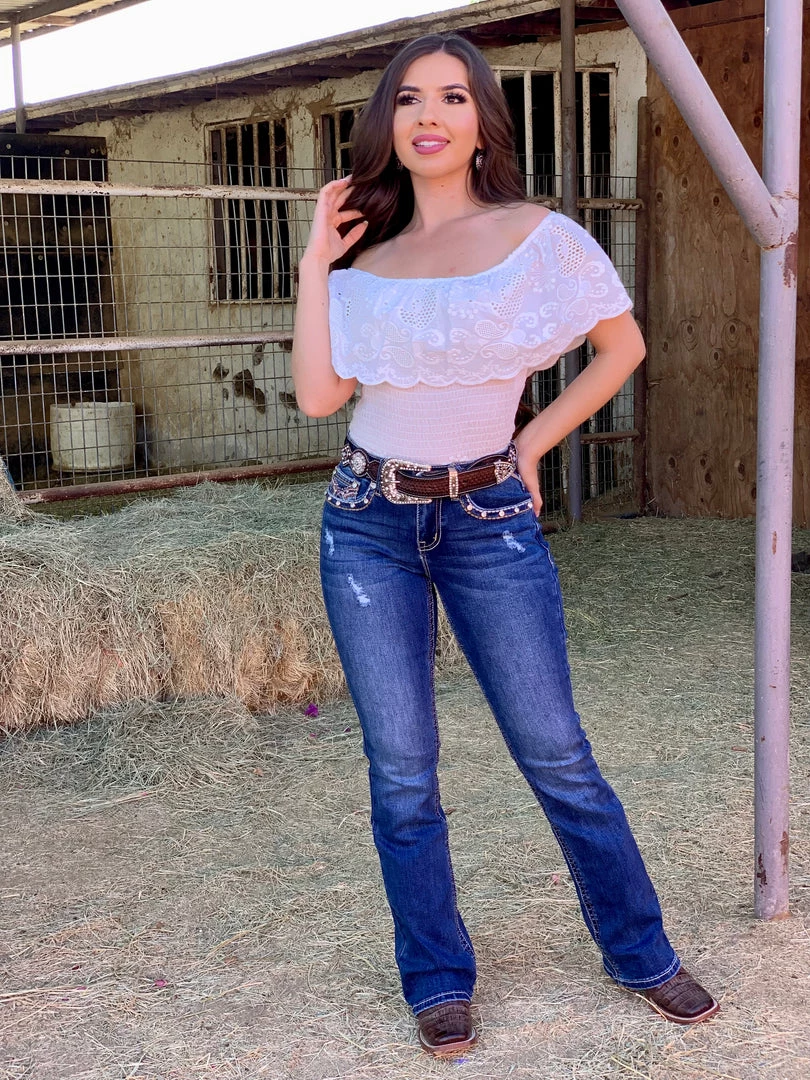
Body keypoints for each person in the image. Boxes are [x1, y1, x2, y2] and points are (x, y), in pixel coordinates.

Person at [291, 33, 719, 1057]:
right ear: (388, 122)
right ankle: (437, 977)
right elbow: (317, 397)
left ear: (483, 120)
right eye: (408, 99)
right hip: (367, 521)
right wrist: (314, 262)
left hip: (488, 519)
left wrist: (531, 441)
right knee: (402, 770)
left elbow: (621, 347)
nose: (428, 115)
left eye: (452, 96)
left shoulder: (541, 239)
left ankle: (641, 952)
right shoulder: (361, 261)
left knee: (556, 752)